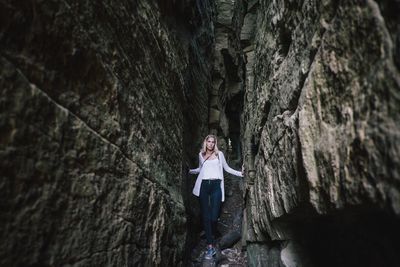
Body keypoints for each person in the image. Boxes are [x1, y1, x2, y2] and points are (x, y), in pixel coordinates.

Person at [189, 134, 244, 260]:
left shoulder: (220, 155)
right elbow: (199, 169)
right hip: (204, 185)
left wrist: (240, 173)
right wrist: (190, 171)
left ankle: (212, 235)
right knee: (206, 216)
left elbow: (227, 168)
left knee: (214, 217)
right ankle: (210, 246)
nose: (211, 144)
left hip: (216, 186)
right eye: (209, 142)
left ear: (215, 144)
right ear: (205, 143)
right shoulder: (201, 155)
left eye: (213, 142)